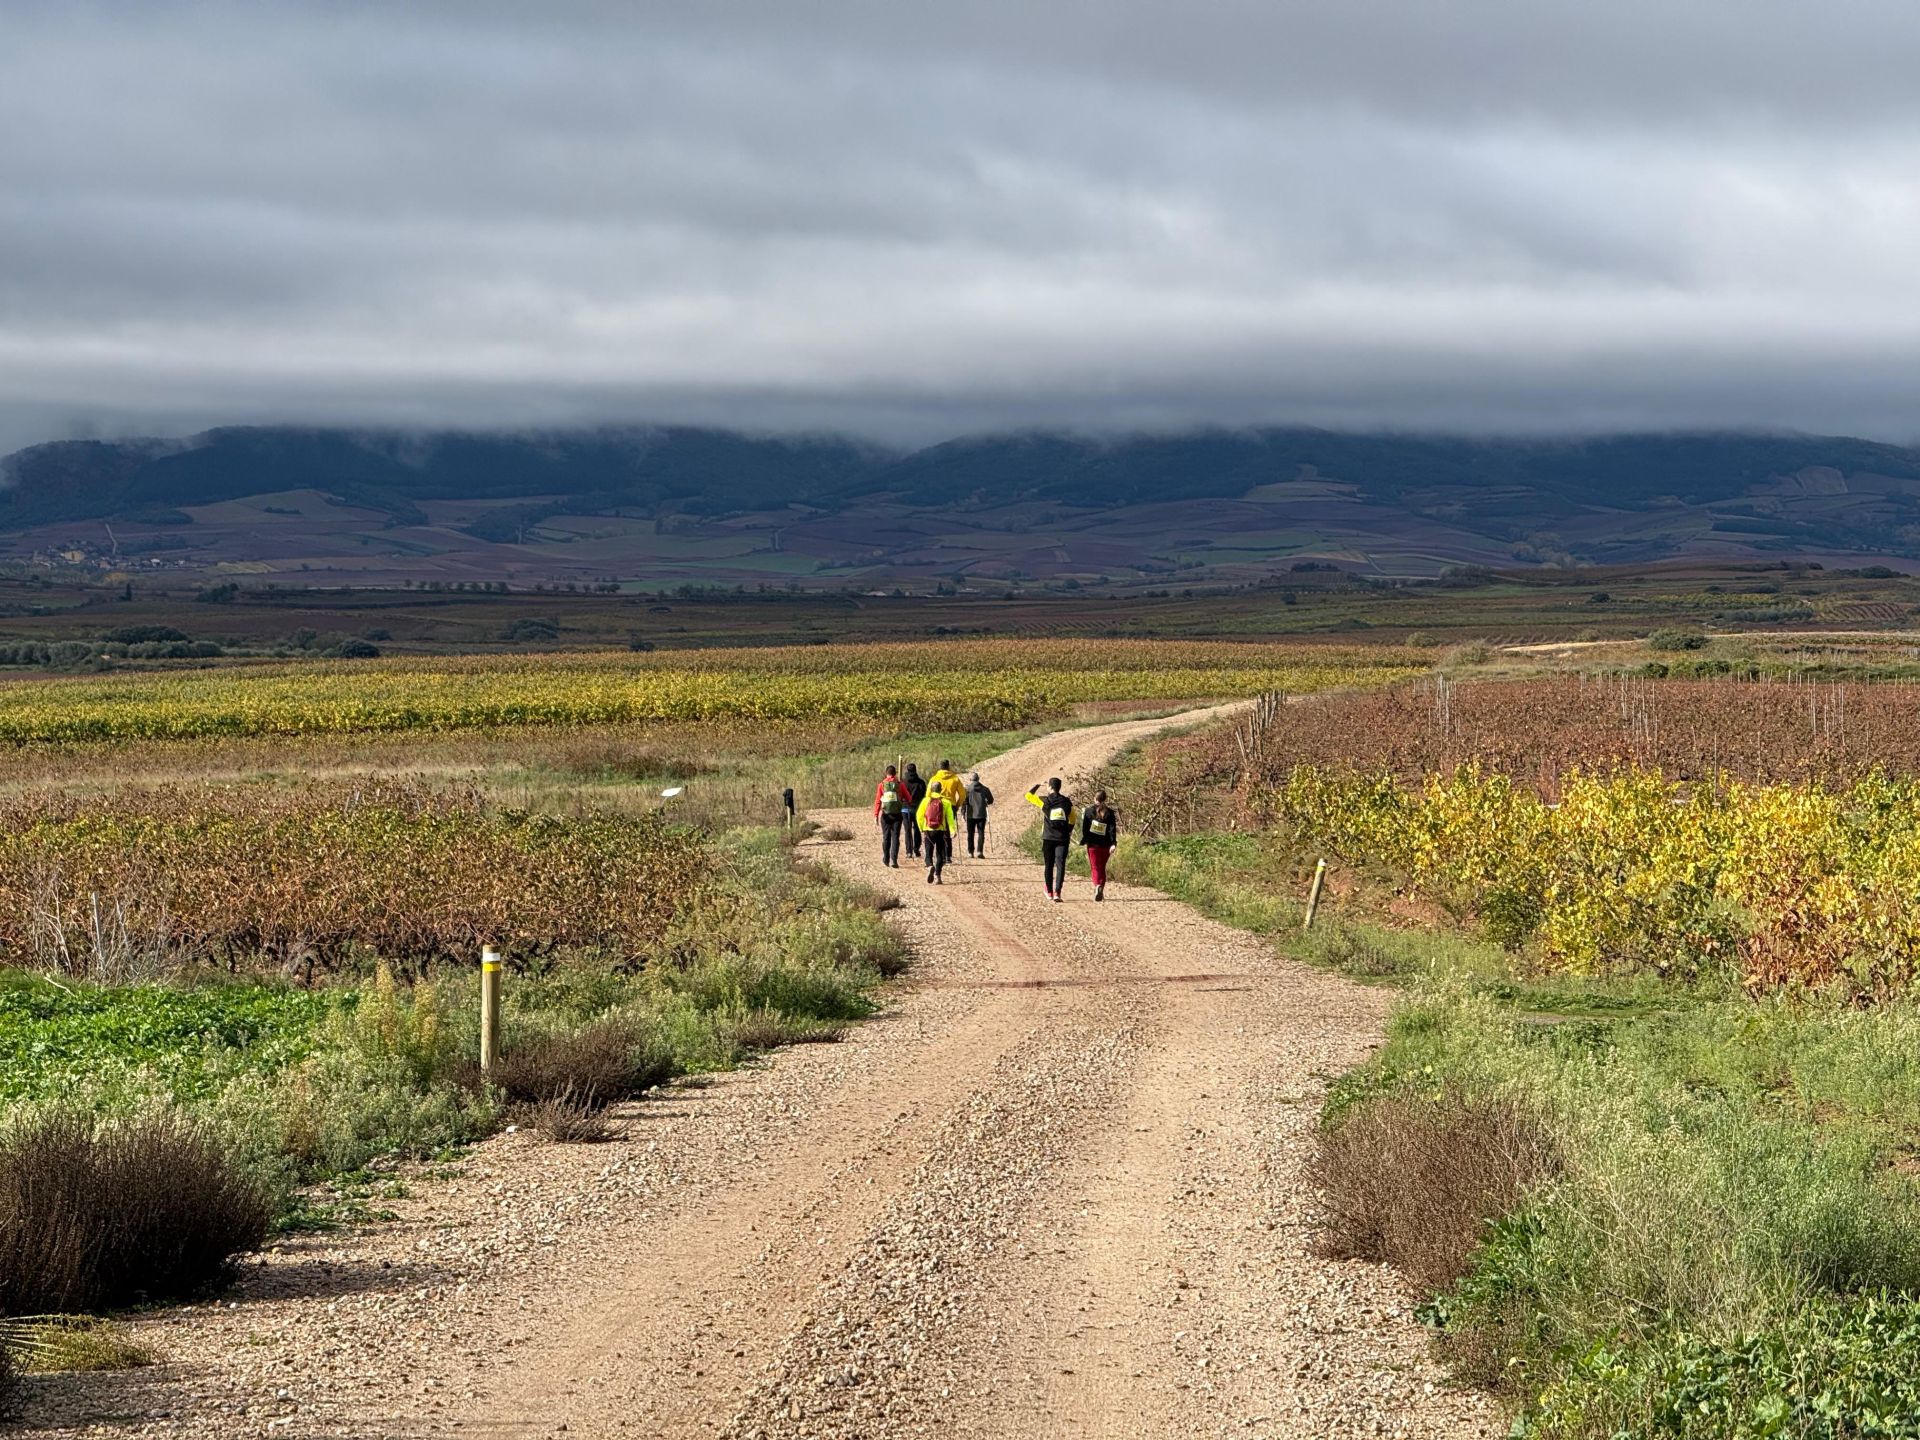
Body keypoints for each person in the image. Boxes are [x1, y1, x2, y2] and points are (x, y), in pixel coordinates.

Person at [1025, 778, 1078, 902]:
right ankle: (1057, 892)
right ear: (1059, 787)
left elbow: (1028, 796)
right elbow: (1073, 818)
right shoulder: (1066, 802)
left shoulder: (1045, 801)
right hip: (1063, 838)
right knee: (1060, 865)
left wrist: (1037, 784)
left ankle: (1049, 891)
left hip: (1048, 837)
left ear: (1049, 787)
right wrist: (1069, 830)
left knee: (1048, 865)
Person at [1080, 790, 1119, 901]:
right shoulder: (1110, 813)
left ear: (1094, 798)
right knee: (1102, 867)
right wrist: (1113, 843)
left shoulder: (1088, 811)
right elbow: (1112, 830)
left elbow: (1085, 830)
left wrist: (1085, 841)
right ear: (1105, 799)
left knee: (1095, 867)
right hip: (1106, 845)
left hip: (1093, 845)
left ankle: (1097, 885)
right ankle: (1101, 888)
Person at [918, 780, 958, 884]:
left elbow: (919, 815)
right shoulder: (946, 802)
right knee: (940, 853)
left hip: (928, 830)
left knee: (928, 850)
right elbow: (950, 818)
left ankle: (930, 865)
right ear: (941, 790)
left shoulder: (925, 801)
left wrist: (921, 827)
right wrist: (953, 830)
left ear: (931, 789)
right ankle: (938, 876)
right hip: (941, 830)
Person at [926, 760, 968, 860]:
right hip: (951, 805)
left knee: (938, 828)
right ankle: (948, 855)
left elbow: (928, 794)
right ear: (948, 767)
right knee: (948, 830)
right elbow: (962, 795)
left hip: (937, 805)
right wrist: (957, 805)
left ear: (940, 767)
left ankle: (938, 854)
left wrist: (929, 805)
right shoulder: (955, 779)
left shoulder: (934, 778)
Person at [873, 764, 909, 868]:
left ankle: (886, 858)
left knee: (886, 837)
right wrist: (902, 799)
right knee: (895, 837)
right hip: (897, 814)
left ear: (886, 773)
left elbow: (878, 801)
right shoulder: (900, 784)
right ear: (895, 773)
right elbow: (909, 798)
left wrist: (876, 815)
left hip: (886, 815)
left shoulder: (882, 785)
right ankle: (894, 860)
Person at [963, 771, 994, 856]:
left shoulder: (967, 789)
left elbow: (964, 802)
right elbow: (991, 800)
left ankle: (970, 852)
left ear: (970, 779)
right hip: (982, 814)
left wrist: (963, 813)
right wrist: (986, 801)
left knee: (970, 834)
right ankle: (979, 851)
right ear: (978, 779)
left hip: (970, 814)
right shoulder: (985, 789)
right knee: (981, 833)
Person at [902, 763, 928, 859]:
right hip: (917, 809)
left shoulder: (903, 782)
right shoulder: (921, 782)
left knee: (907, 830)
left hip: (905, 809)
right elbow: (924, 795)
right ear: (915, 770)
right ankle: (916, 849)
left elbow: (900, 795)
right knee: (917, 829)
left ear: (907, 771)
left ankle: (909, 851)